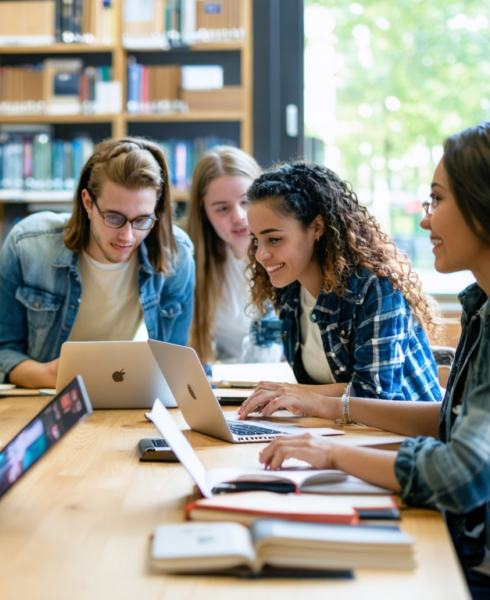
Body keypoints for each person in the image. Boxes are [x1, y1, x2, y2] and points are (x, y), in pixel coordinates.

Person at [253, 122, 490, 599]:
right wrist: (329, 410)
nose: (425, 221)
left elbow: (463, 474)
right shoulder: (479, 308)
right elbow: (448, 422)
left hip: (471, 559)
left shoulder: (376, 288)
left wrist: (334, 452)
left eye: (436, 201)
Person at [0, 137, 195, 388]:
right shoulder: (26, 245)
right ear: (87, 202)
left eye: (142, 220)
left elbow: (173, 362)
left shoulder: (176, 253)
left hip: (127, 398)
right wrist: (52, 375)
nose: (127, 236)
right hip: (44, 398)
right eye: (114, 218)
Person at [239, 161, 441, 409]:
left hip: (406, 440)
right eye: (256, 240)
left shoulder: (375, 288)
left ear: (317, 227)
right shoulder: (288, 290)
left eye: (273, 239)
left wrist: (291, 392)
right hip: (341, 434)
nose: (260, 255)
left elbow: (375, 395)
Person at [186, 146, 283, 364]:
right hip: (228, 385)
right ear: (204, 213)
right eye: (222, 209)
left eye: (246, 202)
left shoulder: (289, 257)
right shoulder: (191, 265)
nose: (238, 217)